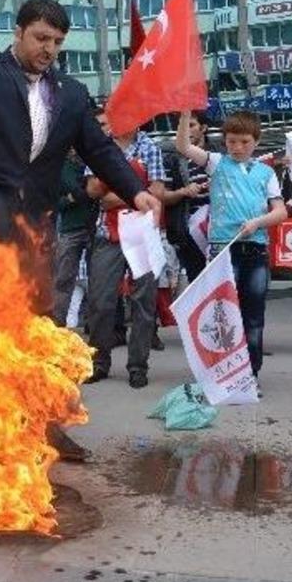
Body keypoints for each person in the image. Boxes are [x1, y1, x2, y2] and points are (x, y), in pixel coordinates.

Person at [0, 0, 159, 242]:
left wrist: (136, 192)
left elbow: (99, 149)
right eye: (41, 38)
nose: (50, 49)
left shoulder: (72, 93)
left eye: (57, 42)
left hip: (37, 221)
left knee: (34, 282)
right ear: (19, 32)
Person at [175, 109, 287, 390]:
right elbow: (183, 146)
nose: (237, 148)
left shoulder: (266, 173)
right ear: (224, 141)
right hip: (223, 249)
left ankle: (250, 374)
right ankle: (220, 374)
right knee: (221, 314)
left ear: (256, 142)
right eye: (232, 141)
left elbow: (280, 212)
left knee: (253, 315)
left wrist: (257, 223)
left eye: (244, 142)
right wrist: (184, 113)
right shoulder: (215, 163)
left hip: (256, 248)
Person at [84, 111, 164, 388]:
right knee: (100, 302)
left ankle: (138, 366)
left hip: (141, 236)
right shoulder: (99, 146)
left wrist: (116, 191)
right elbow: (95, 191)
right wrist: (134, 191)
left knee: (143, 303)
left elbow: (157, 192)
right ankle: (98, 361)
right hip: (108, 234)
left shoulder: (149, 147)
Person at [163, 111, 212, 281]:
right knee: (197, 281)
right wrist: (184, 191)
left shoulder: (219, 155)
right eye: (182, 126)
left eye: (191, 125)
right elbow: (162, 196)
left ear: (203, 128)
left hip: (221, 228)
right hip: (189, 232)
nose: (185, 130)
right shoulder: (172, 159)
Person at [51, 147, 97, 327]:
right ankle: (57, 324)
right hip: (71, 227)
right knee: (63, 277)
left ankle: (93, 324)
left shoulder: (93, 160)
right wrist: (72, 198)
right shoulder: (60, 167)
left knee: (98, 278)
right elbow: (54, 202)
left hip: (94, 225)